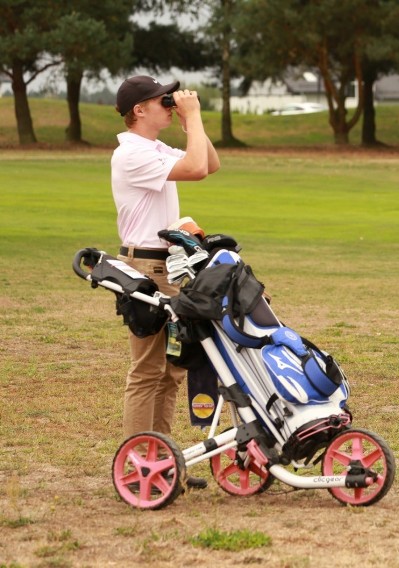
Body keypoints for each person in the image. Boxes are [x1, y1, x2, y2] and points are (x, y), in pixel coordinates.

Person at [111, 75, 221, 487]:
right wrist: (191, 117)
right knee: (146, 369)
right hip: (145, 270)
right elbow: (195, 168)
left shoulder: (153, 147)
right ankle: (139, 463)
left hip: (168, 267)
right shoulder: (131, 153)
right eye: (163, 100)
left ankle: (163, 457)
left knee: (172, 369)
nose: (170, 104)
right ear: (139, 110)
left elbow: (209, 163)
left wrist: (193, 123)